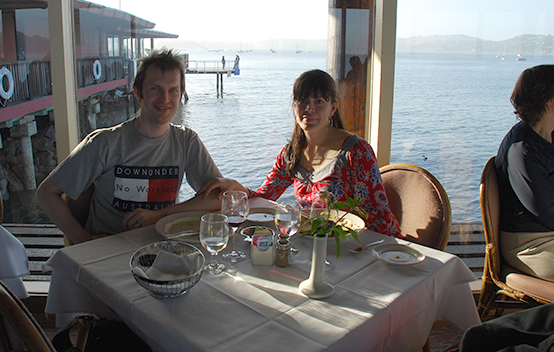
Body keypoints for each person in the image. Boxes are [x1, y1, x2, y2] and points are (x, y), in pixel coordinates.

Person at [36, 48, 236, 244]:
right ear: (138, 91)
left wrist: (159, 215)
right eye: (155, 89)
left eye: (172, 90)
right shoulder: (104, 143)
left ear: (181, 93)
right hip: (109, 250)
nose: (165, 99)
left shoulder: (186, 141)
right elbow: (46, 193)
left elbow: (219, 198)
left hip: (161, 247)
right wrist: (82, 239)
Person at [199, 69, 401, 236]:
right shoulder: (292, 153)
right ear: (294, 106)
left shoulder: (356, 153)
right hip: (315, 241)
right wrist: (238, 188)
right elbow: (265, 195)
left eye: (319, 101)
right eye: (303, 101)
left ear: (333, 108)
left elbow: (379, 217)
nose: (309, 108)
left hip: (357, 245)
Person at [496, 64, 554, 282]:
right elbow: (548, 212)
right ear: (549, 100)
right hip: (531, 244)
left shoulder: (547, 136)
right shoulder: (522, 149)